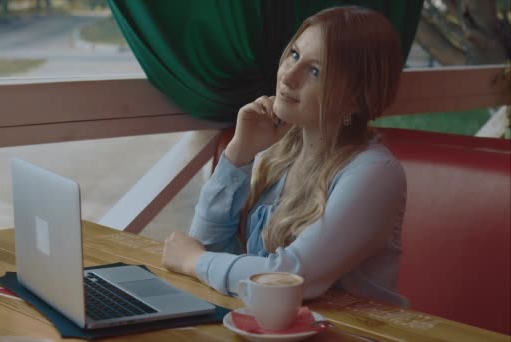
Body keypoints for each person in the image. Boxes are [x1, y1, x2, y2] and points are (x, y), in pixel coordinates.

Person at [161, 6, 408, 307]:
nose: (288, 77)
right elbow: (210, 247)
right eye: (294, 55)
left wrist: (193, 261)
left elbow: (294, 278)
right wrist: (239, 153)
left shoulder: (375, 173)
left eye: (315, 71)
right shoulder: (281, 154)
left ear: (357, 97)